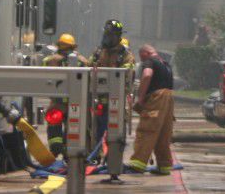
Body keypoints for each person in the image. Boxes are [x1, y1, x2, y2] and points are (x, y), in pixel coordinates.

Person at [89, 20, 135, 162]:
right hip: (99, 98)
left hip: (116, 100)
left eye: (110, 35)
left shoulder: (125, 54)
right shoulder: (98, 52)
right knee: (95, 129)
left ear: (118, 36)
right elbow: (89, 67)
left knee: (116, 130)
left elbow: (128, 71)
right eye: (106, 34)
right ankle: (96, 155)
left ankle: (113, 156)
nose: (107, 37)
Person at [127, 45, 175, 174]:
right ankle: (164, 166)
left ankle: (137, 164)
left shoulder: (150, 61)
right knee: (163, 133)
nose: (141, 60)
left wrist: (141, 98)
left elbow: (147, 75)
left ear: (146, 53)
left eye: (141, 56)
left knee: (147, 129)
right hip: (169, 98)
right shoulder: (166, 65)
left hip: (156, 97)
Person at [42, 33, 88, 157]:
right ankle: (69, 152)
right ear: (74, 46)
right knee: (74, 127)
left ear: (59, 45)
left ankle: (55, 149)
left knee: (54, 124)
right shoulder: (82, 61)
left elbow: (44, 74)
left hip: (57, 102)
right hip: (75, 102)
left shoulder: (50, 60)